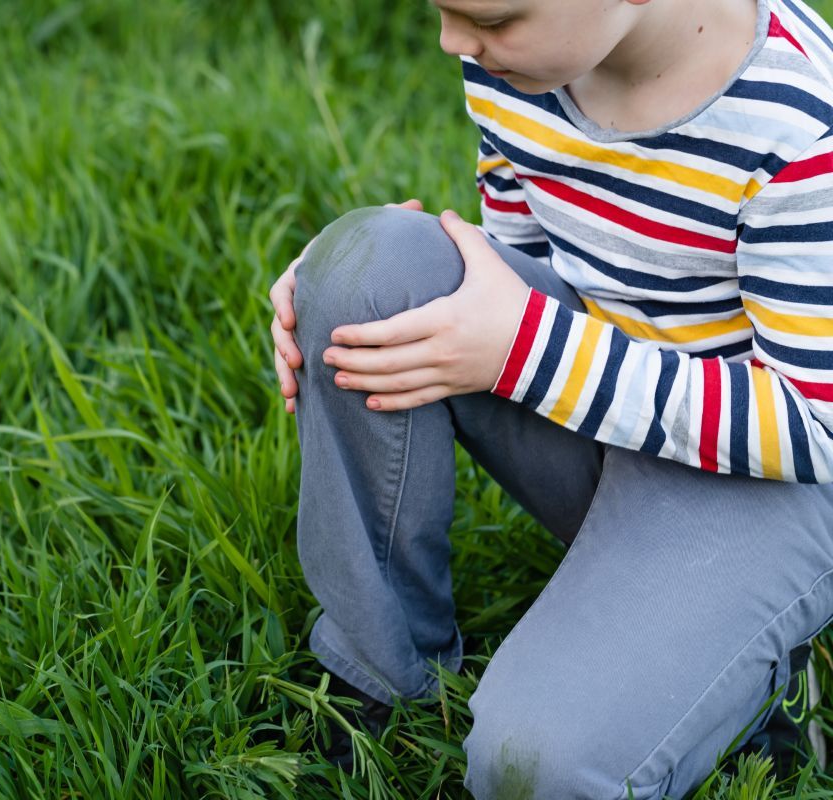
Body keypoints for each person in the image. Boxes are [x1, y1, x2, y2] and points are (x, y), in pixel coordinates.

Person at [268, 0, 833, 796]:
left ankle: (747, 682)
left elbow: (814, 427)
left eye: (494, 17)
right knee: (364, 274)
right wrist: (345, 281)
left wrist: (526, 348)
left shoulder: (802, 130)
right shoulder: (529, 64)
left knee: (531, 765)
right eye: (445, 10)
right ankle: (382, 669)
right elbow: (523, 261)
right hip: (604, 399)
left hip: (766, 486)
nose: (453, 42)